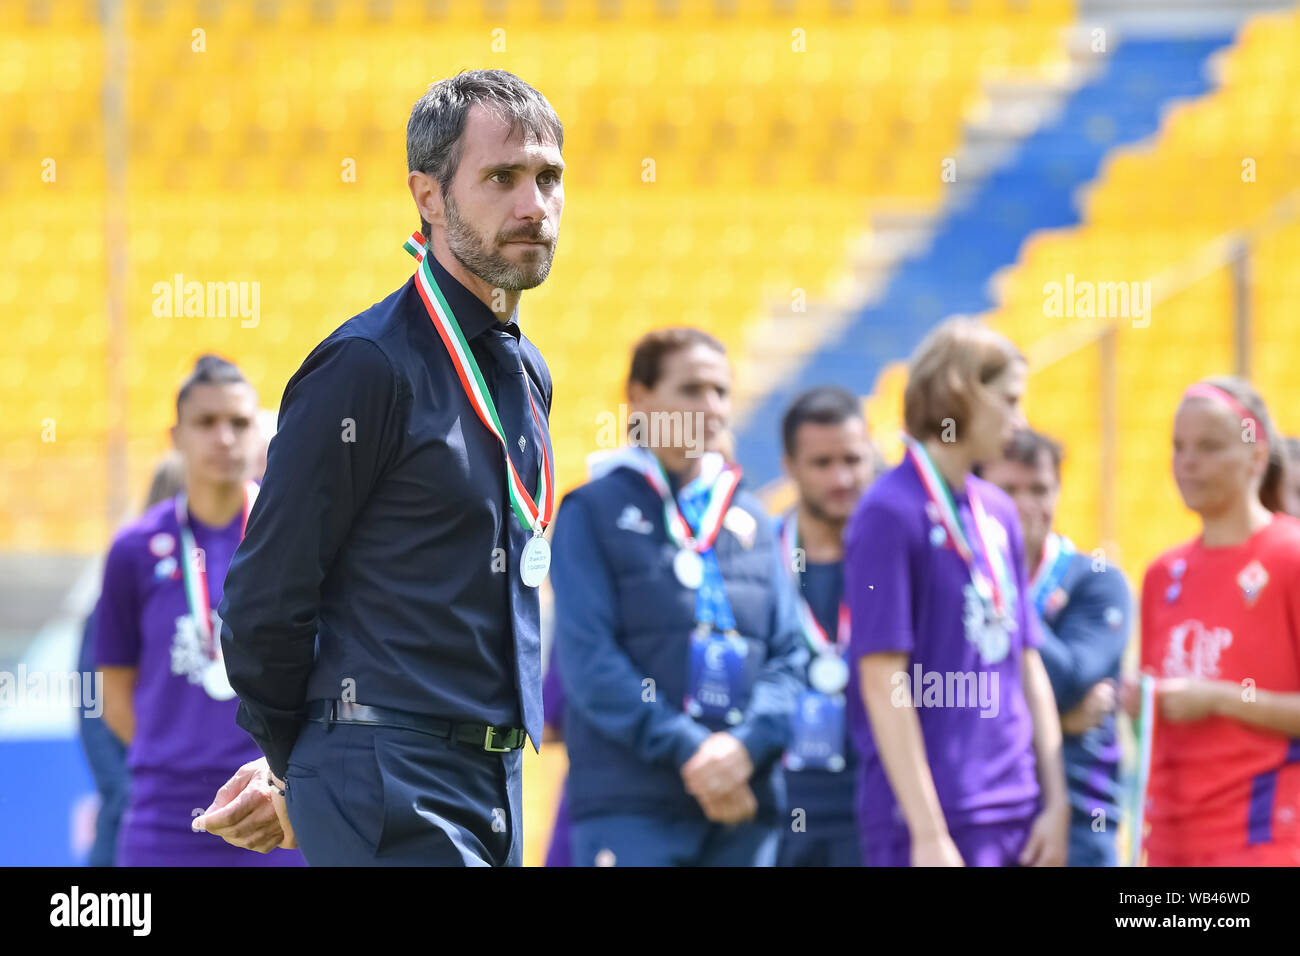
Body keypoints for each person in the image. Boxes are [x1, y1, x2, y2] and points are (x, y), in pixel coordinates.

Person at [192, 70, 563, 867]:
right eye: (502, 177)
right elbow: (263, 601)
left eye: (548, 177)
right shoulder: (365, 367)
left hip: (494, 778)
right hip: (392, 781)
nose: (534, 205)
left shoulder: (528, 374)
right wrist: (303, 764)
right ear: (428, 197)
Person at [551, 327, 806, 866]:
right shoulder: (590, 511)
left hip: (743, 806)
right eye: (692, 390)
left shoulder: (755, 520)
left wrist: (743, 749)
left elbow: (791, 658)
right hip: (632, 806)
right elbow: (589, 662)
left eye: (722, 392)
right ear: (639, 397)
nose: (712, 407)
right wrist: (691, 750)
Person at [845, 318, 1068, 867]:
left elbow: (1026, 660)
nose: (1020, 420)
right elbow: (882, 681)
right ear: (961, 391)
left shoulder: (998, 511)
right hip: (934, 819)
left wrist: (1056, 800)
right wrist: (927, 833)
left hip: (1017, 810)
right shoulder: (884, 515)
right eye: (1010, 399)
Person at [94, 355, 304, 866]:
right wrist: (176, 761)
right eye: (206, 423)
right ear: (176, 435)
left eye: (238, 423)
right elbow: (115, 694)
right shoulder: (134, 550)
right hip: (164, 820)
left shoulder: (296, 538)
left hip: (273, 811)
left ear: (260, 433)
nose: (224, 438)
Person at [1123, 377, 1300, 866]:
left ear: (1255, 457)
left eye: (1209, 447)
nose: (1188, 462)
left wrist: (1220, 699)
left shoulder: (1290, 555)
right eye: (1179, 447)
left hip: (1262, 838)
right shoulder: (1163, 574)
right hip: (1169, 843)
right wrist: (1141, 703)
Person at [980, 428, 1131, 866]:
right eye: (1008, 490)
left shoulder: (1098, 580)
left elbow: (1066, 681)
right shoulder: (957, 582)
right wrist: (1060, 720)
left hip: (1081, 821)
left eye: (1040, 489)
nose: (1026, 504)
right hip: (985, 812)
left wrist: (995, 590)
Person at [774, 386, 876, 867]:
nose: (841, 478)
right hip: (777, 810)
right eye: (822, 463)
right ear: (790, 465)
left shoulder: (900, 559)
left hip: (876, 811)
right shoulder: (756, 557)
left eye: (853, 460)